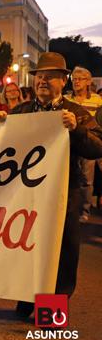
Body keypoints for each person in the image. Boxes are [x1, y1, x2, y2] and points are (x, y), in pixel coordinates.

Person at [0, 52, 102, 320]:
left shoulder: (76, 113)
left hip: (65, 193)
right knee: (25, 245)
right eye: (40, 76)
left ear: (63, 82)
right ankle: (26, 300)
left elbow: (97, 147)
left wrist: (77, 130)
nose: (43, 81)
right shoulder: (21, 112)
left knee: (62, 251)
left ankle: (51, 310)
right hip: (26, 194)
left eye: (50, 77)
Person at [64, 66, 102, 223]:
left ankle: (84, 210)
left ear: (88, 82)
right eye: (74, 79)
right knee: (70, 177)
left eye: (80, 79)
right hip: (70, 144)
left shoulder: (97, 100)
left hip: (87, 142)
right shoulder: (66, 99)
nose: (76, 82)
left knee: (87, 179)